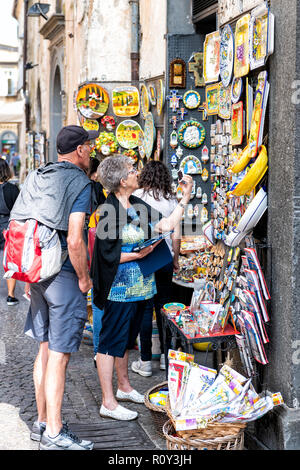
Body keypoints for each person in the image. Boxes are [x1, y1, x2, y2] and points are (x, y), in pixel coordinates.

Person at [10, 125, 99, 450]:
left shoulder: (37, 175)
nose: (91, 150)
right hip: (62, 273)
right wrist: (84, 278)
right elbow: (75, 238)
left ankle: (42, 421)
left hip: (36, 272)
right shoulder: (79, 183)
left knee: (45, 349)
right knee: (60, 356)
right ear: (79, 150)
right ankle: (55, 433)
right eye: (88, 146)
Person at [91, 155, 192, 421]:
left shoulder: (137, 204)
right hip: (119, 290)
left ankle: (123, 388)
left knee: (125, 341)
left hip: (142, 287)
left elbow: (167, 226)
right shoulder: (107, 210)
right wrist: (136, 254)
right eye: (133, 170)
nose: (138, 173)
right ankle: (108, 402)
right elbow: (104, 256)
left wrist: (184, 198)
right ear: (123, 180)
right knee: (110, 343)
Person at [130, 160, 181, 376]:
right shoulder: (171, 199)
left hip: (145, 259)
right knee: (164, 308)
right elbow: (176, 235)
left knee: (144, 309)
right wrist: (175, 258)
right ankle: (166, 359)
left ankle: (145, 362)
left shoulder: (137, 196)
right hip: (165, 260)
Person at [87, 155, 106, 366]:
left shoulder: (82, 188)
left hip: (88, 252)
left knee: (97, 303)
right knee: (101, 304)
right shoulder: (98, 191)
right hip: (99, 253)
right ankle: (102, 350)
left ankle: (98, 351)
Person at [0, 158, 20, 305]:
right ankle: (11, 295)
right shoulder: (12, 189)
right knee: (10, 261)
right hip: (8, 227)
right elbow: (19, 210)